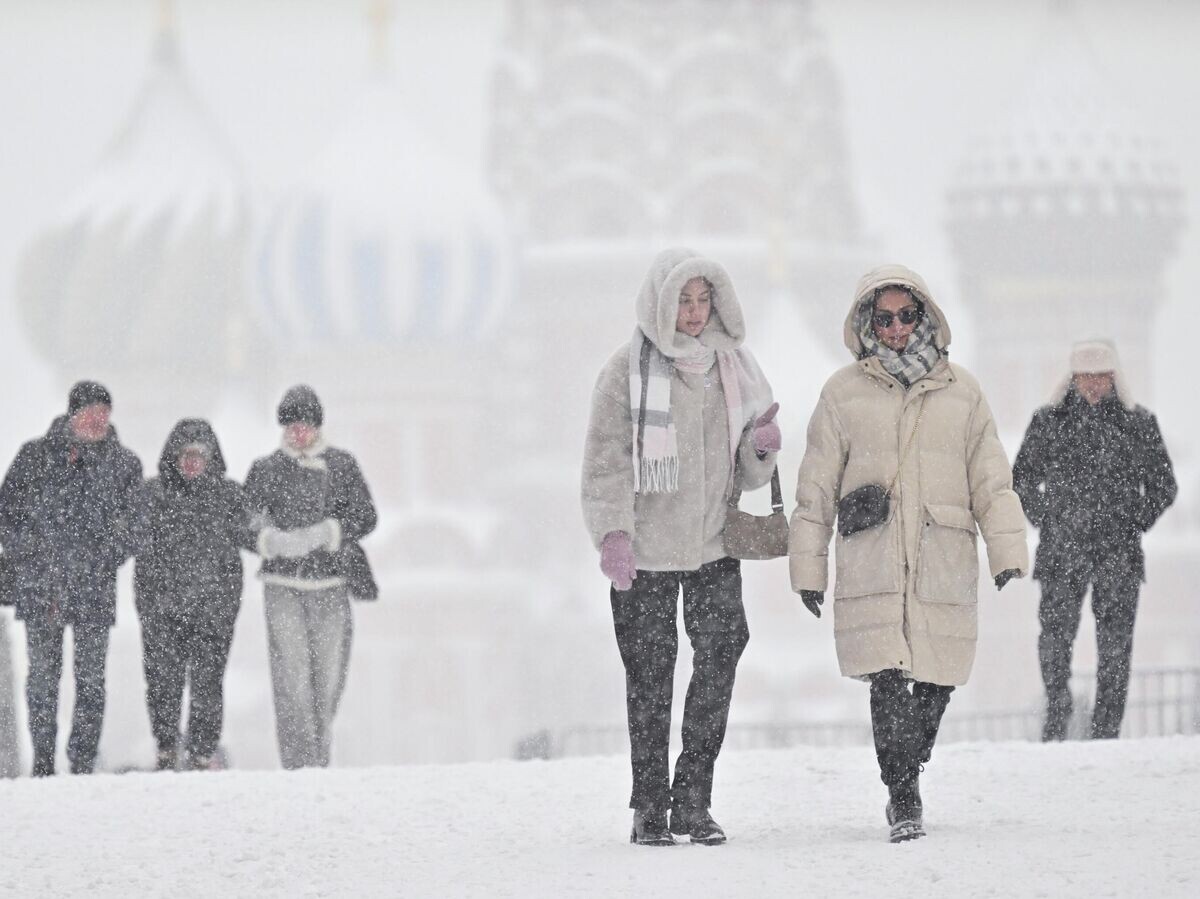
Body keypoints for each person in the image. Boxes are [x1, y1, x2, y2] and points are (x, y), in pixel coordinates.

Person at [788, 265, 1027, 842]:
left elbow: (991, 479)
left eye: (906, 315)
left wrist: (1006, 550)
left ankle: (909, 762)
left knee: (937, 679)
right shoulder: (842, 394)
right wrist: (808, 568)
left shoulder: (962, 392)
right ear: (868, 323)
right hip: (873, 555)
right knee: (888, 676)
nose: (896, 328)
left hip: (940, 552)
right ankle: (903, 794)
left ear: (924, 317)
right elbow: (816, 486)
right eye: (884, 317)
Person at [581, 247, 781, 846]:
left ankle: (693, 798)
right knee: (649, 675)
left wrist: (763, 446)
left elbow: (746, 473)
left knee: (720, 658)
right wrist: (613, 533)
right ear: (661, 305)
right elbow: (605, 463)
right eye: (683, 301)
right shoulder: (626, 371)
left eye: (703, 300)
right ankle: (650, 807)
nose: (694, 314)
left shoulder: (733, 368)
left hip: (714, 547)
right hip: (645, 554)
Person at [1012, 339, 1176, 742]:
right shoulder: (1048, 422)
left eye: (1102, 375)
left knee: (1116, 648)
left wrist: (1133, 521)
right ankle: (1057, 713)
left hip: (1117, 554)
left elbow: (1163, 486)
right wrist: (1049, 518)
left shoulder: (1139, 424)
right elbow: (1021, 480)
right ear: (1073, 376)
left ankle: (1106, 730)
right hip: (1061, 551)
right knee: (1054, 642)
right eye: (1087, 375)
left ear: (1113, 376)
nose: (1094, 384)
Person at [0, 381, 143, 775]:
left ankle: (82, 761)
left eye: (104, 411)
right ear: (72, 413)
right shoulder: (35, 456)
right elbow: (6, 512)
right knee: (43, 681)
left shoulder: (124, 464)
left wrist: (103, 554)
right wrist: (30, 549)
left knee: (91, 682)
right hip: (41, 586)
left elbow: (136, 526)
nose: (99, 419)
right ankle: (43, 762)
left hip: (93, 589)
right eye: (91, 410)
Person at [244, 385, 377, 769]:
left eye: (304, 425)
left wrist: (330, 532)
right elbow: (246, 520)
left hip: (331, 585)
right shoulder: (265, 470)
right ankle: (300, 764)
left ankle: (319, 756)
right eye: (290, 425)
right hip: (283, 586)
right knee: (292, 680)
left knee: (328, 679)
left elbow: (366, 516)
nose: (297, 433)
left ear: (317, 426)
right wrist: (270, 540)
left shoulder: (342, 466)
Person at [135, 419, 252, 771]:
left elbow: (255, 537)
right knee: (161, 682)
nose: (191, 462)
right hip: (162, 610)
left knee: (207, 686)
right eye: (185, 455)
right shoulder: (151, 495)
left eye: (199, 455)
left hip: (213, 612)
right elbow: (123, 535)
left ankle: (202, 753)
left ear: (210, 458)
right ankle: (167, 748)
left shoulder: (229, 496)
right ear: (173, 456)